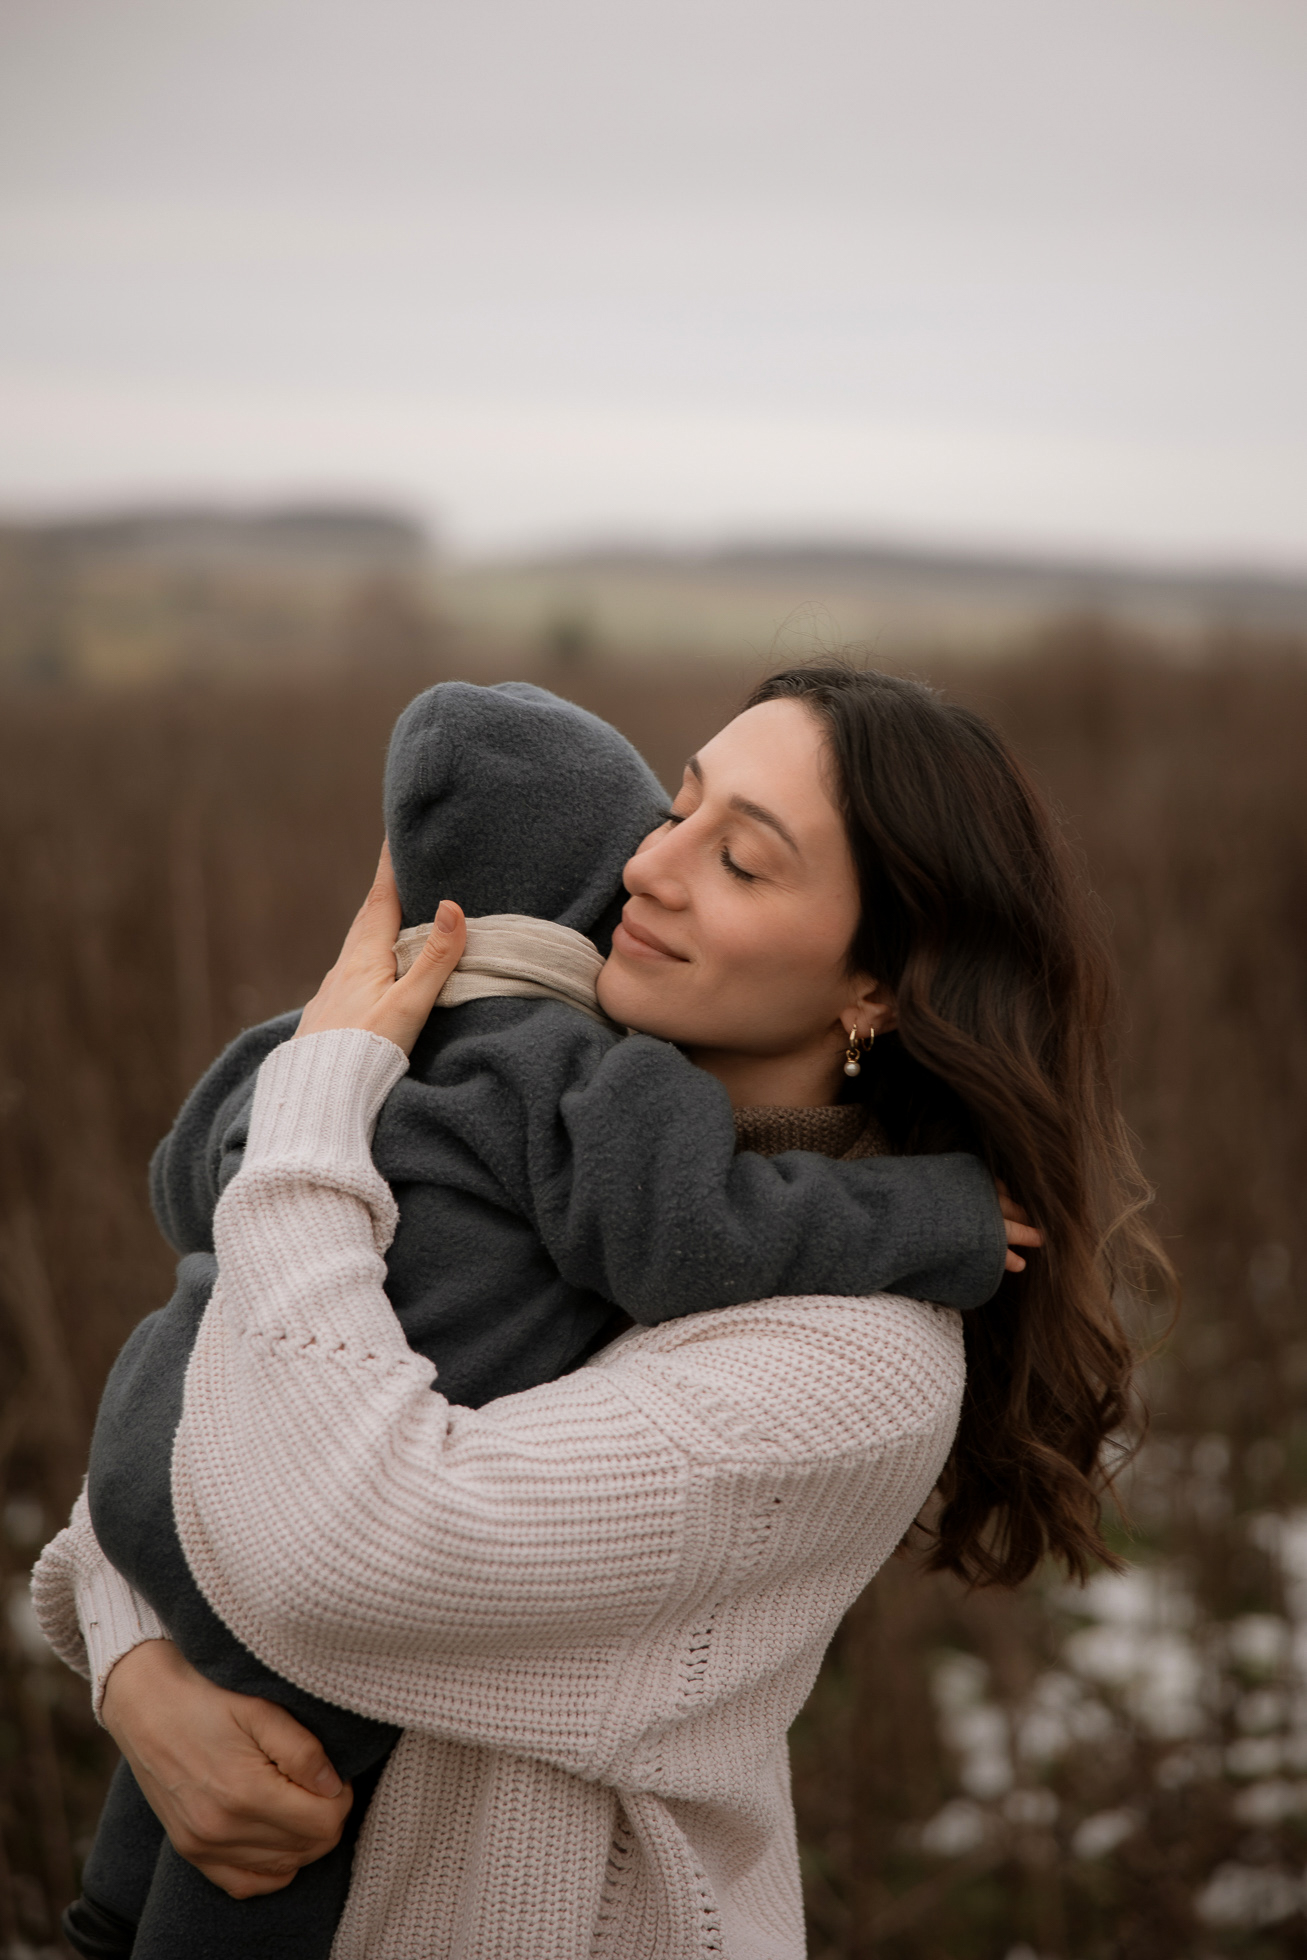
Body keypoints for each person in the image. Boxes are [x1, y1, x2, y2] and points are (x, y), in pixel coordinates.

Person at [36, 666, 1160, 1959]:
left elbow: (334, 1542)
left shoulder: (858, 1357)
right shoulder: (541, 1108)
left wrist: (316, 1101)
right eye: (674, 810)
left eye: (741, 860)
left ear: (880, 987)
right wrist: (140, 1679)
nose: (647, 868)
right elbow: (200, 1423)